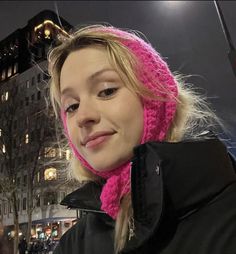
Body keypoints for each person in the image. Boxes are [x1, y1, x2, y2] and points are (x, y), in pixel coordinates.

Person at [48, 25, 236, 254]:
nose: (83, 117)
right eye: (72, 106)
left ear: (155, 95)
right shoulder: (73, 245)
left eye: (106, 91)